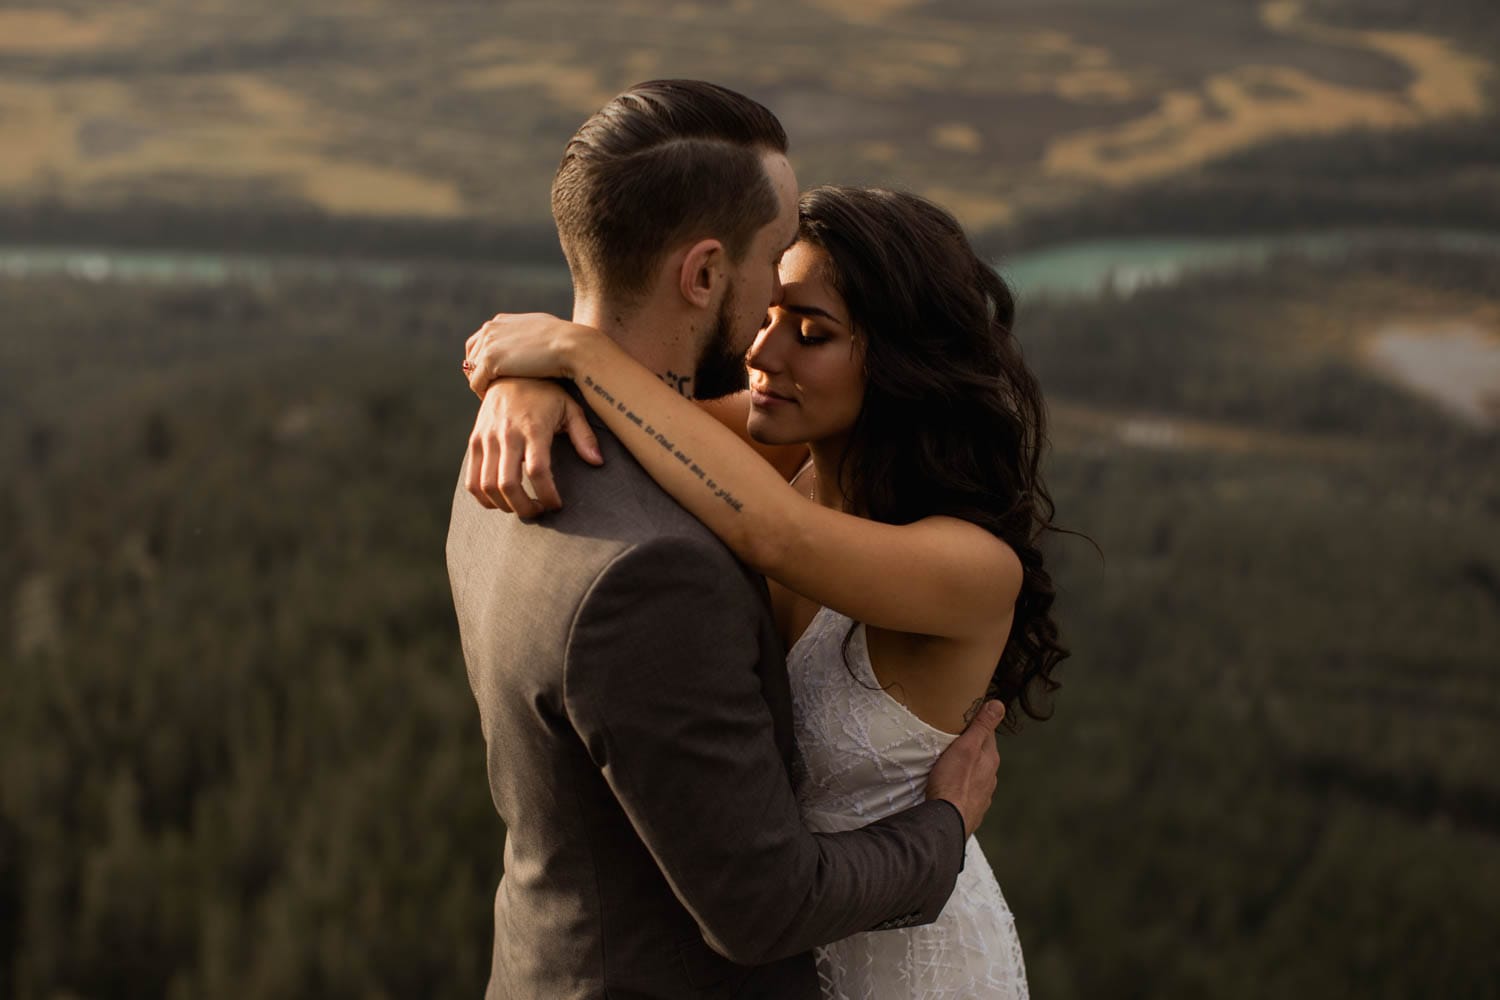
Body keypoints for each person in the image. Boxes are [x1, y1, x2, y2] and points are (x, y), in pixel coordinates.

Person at [446, 81, 1007, 1000]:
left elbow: (771, 525)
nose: (768, 349)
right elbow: (759, 905)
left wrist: (571, 362)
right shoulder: (650, 544)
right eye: (773, 275)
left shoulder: (500, 473)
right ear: (704, 275)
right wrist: (546, 376)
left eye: (812, 328)